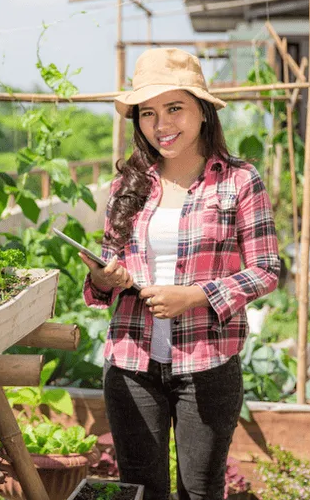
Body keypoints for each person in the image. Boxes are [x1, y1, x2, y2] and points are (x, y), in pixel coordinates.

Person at [80, 48, 280, 500]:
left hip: (207, 364)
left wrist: (195, 296)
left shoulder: (239, 181)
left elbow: (267, 269)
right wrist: (104, 278)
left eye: (175, 108)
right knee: (141, 488)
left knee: (200, 488)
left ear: (203, 113)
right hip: (132, 363)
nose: (161, 124)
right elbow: (107, 269)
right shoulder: (127, 184)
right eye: (148, 113)